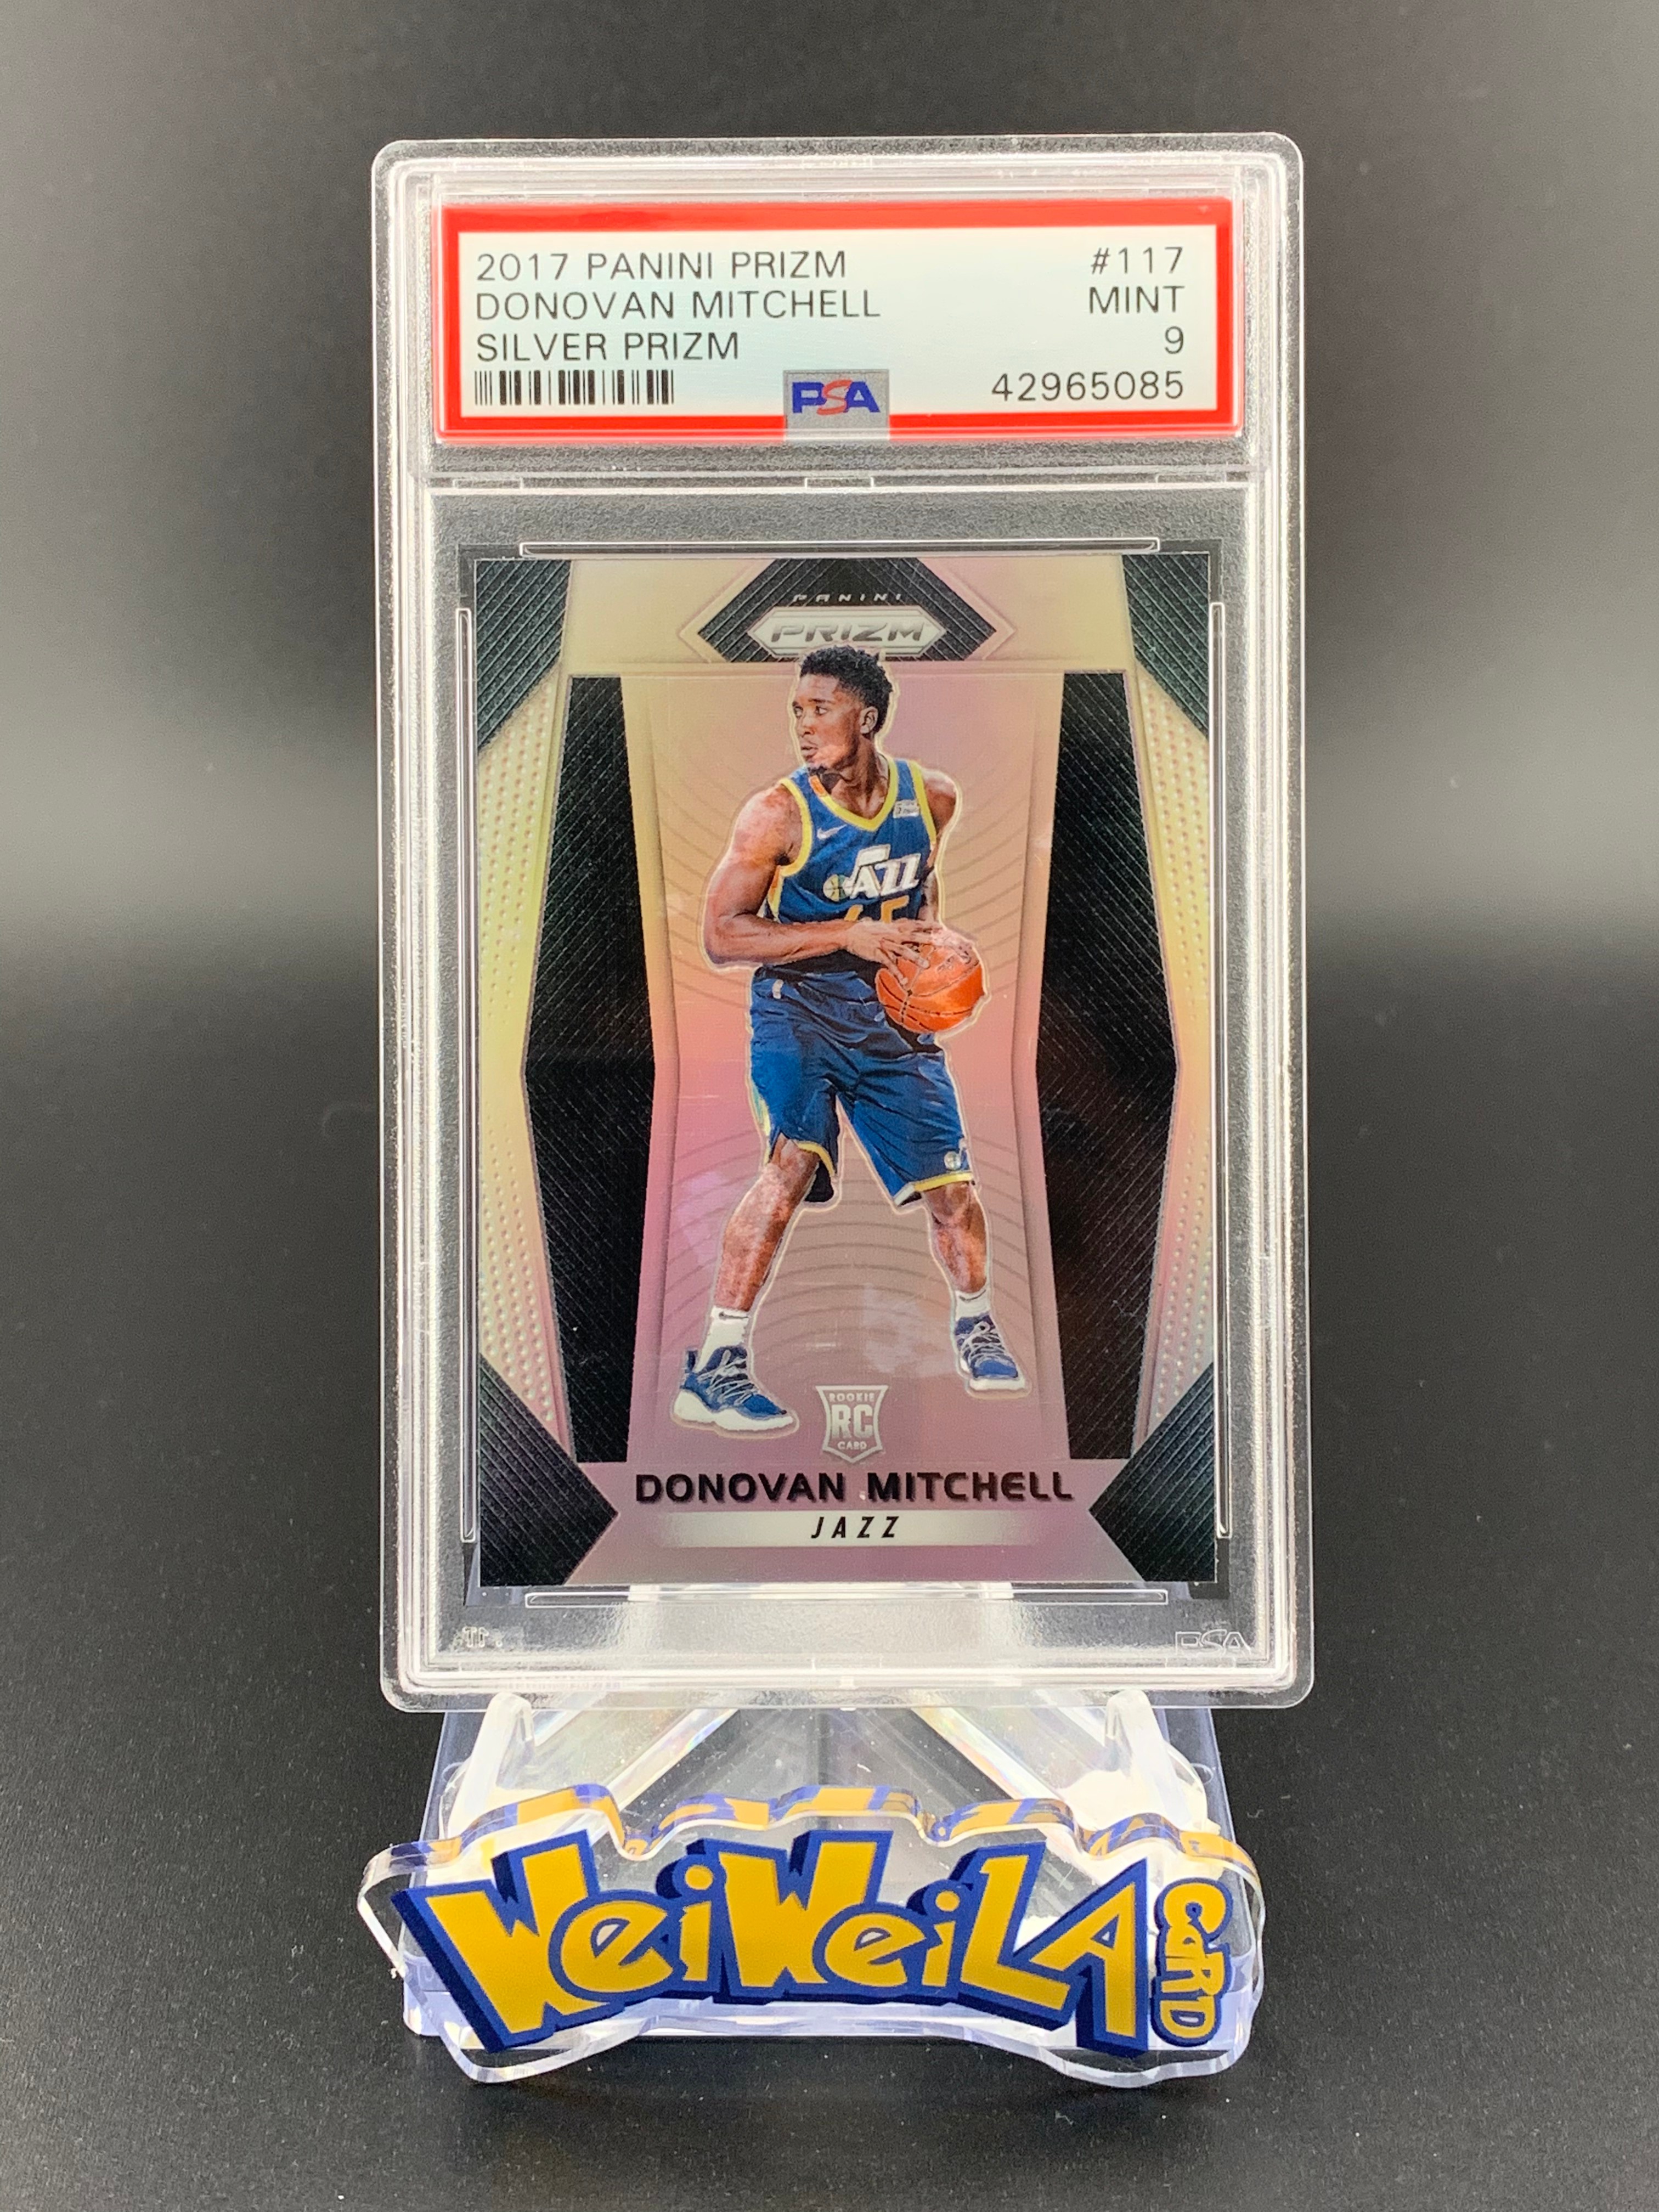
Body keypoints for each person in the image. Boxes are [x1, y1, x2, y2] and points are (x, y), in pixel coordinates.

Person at [673, 644, 1025, 1437]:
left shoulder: (932, 797)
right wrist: (846, 935)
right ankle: (718, 1366)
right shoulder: (776, 814)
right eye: (796, 711)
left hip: (888, 1019)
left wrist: (932, 952)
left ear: (865, 718)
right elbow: (722, 936)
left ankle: (975, 1325)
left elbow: (920, 886)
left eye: (819, 709)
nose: (802, 726)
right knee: (790, 1167)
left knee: (954, 1191)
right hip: (797, 1010)